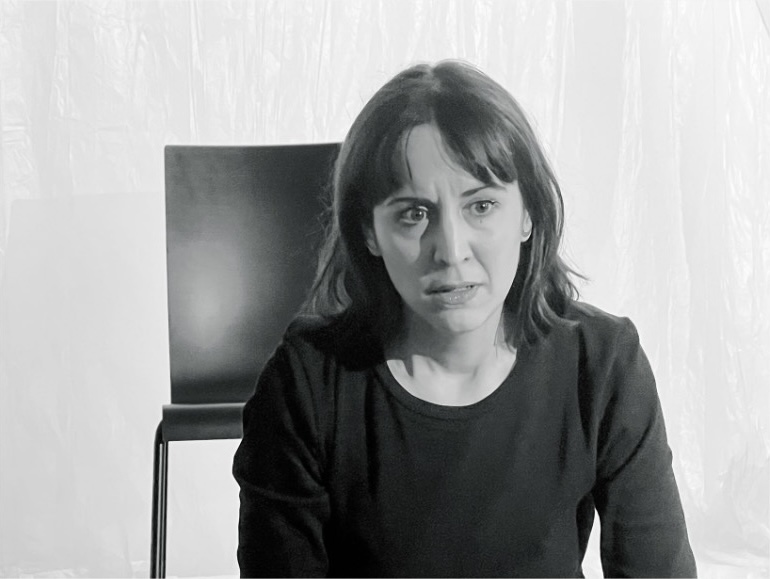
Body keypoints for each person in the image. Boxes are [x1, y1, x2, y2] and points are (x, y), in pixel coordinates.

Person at [232, 60, 697, 577]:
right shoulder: (305, 387)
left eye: (481, 206)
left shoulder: (603, 366)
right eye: (414, 214)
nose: (451, 251)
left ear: (528, 213)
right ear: (368, 232)